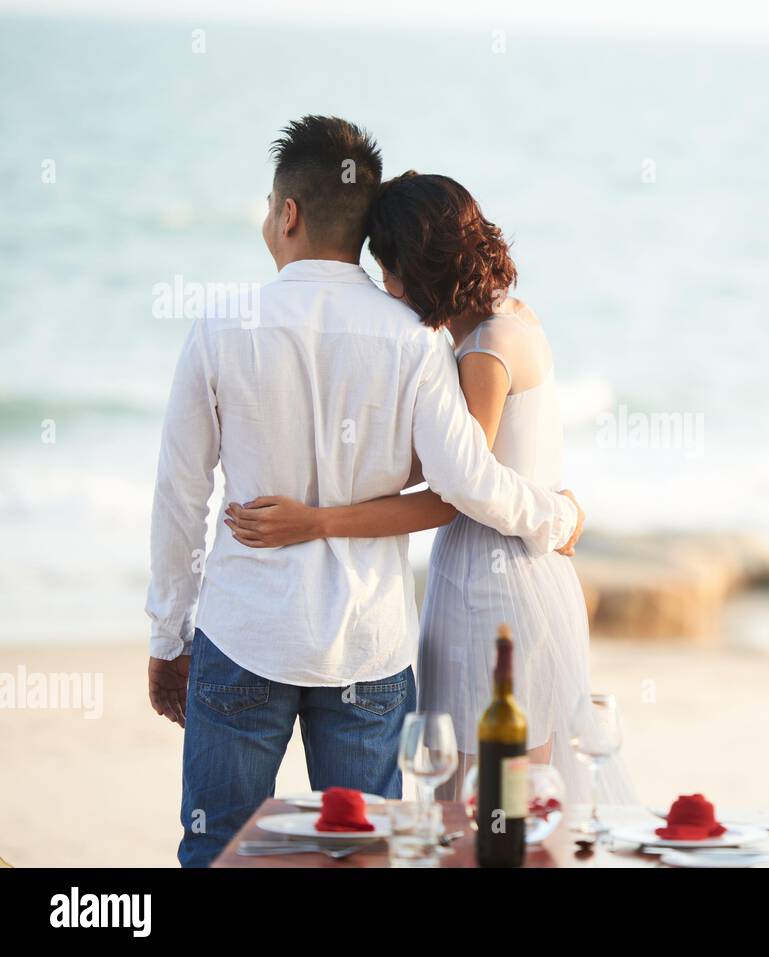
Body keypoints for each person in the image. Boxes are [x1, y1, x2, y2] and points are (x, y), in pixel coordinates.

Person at [146, 118, 583, 867]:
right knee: (367, 855)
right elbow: (464, 480)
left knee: (219, 846)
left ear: (288, 213)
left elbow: (181, 494)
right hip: (368, 649)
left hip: (244, 635)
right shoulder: (414, 339)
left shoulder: (221, 325)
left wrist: (166, 635)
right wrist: (558, 512)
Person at [224, 172, 633, 807]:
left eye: (385, 269)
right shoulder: (502, 320)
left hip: (496, 587)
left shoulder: (485, 351)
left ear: (415, 267)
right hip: (500, 577)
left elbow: (453, 491)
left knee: (489, 806)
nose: (384, 288)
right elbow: (442, 464)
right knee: (503, 801)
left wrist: (317, 520)